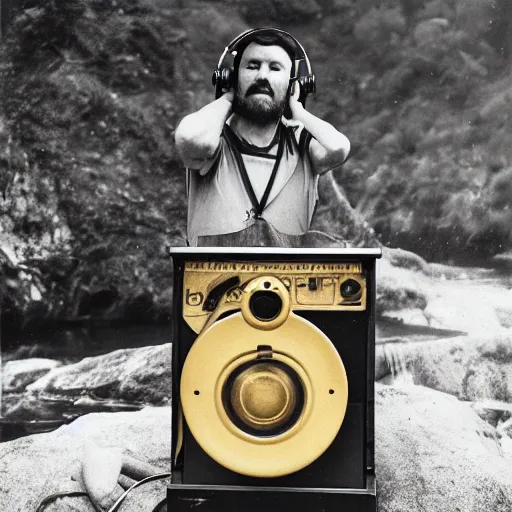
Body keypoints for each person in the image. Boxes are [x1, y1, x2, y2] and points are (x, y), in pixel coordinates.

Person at [174, 28, 351, 247]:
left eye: (275, 68)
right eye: (252, 66)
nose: (262, 76)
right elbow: (190, 139)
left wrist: (299, 110)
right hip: (212, 278)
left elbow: (338, 148)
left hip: (285, 280)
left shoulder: (302, 144)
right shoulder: (213, 137)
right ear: (231, 77)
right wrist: (227, 97)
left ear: (294, 85)